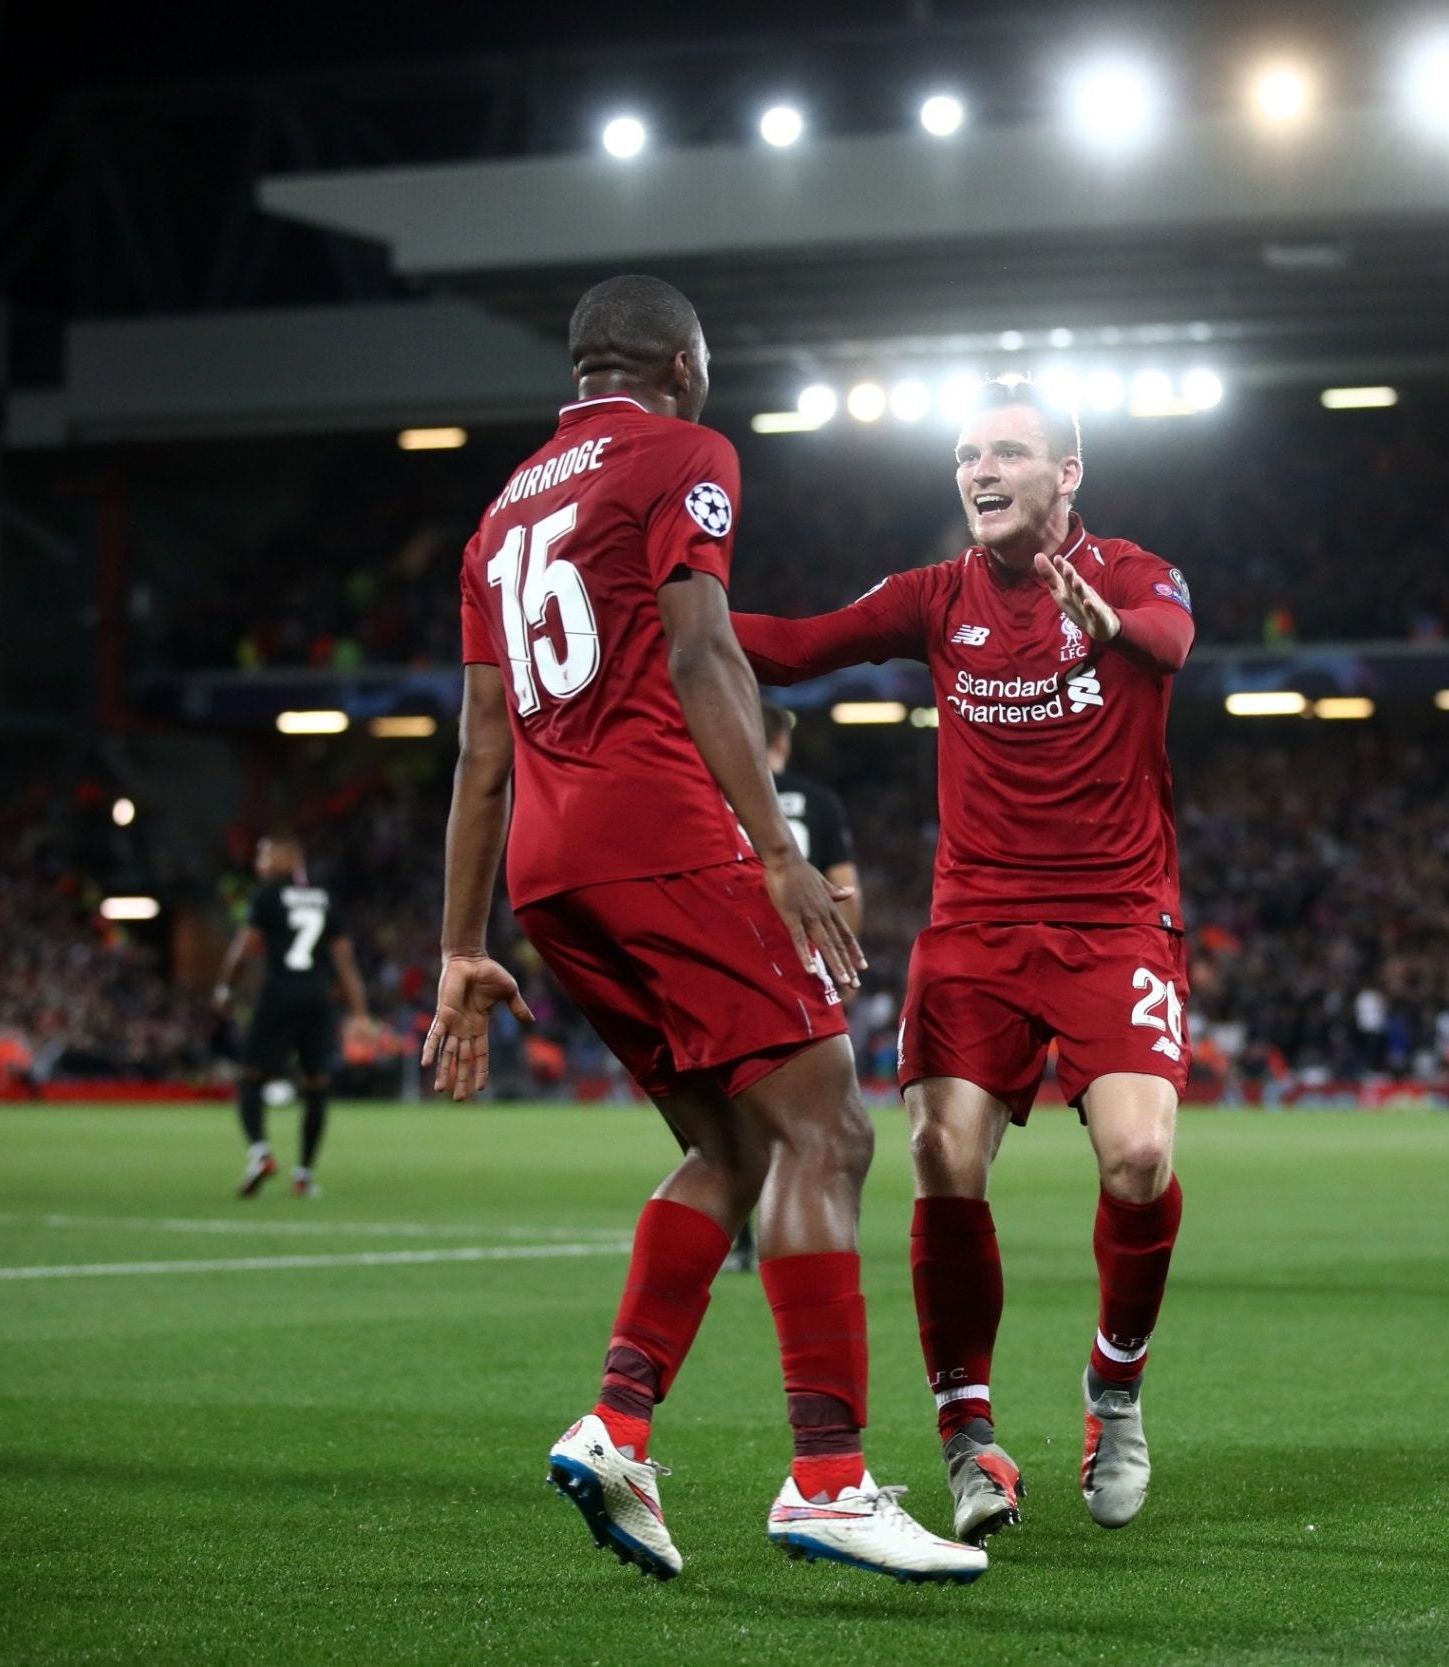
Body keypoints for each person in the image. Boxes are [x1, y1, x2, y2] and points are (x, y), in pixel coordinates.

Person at [423, 272, 982, 1585]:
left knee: (732, 1143)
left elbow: (481, 744)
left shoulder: (497, 515)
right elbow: (701, 652)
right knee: (829, 1127)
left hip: (550, 874)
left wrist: (460, 941)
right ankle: (828, 1478)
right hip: (660, 835)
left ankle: (618, 1422)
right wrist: (779, 850)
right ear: (680, 360)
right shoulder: (688, 452)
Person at [733, 376, 1195, 1546]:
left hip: (1115, 918)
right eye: (964, 455)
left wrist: (1107, 625)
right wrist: (674, 622)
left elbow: (1170, 639)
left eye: (1005, 452)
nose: (979, 472)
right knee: (941, 1149)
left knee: (1138, 1157)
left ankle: (1114, 1389)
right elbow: (794, 646)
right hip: (976, 927)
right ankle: (965, 1432)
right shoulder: (935, 597)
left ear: (1065, 473)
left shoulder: (1138, 571)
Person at [724, 701, 863, 1275]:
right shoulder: (821, 802)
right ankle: (819, 1232)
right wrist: (843, 965)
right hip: (802, 967)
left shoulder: (719, 794)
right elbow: (846, 890)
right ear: (783, 740)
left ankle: (739, 1230)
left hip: (730, 961)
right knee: (820, 1120)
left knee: (732, 1107)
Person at [212, 834, 369, 1199]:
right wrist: (360, 1013)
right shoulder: (325, 897)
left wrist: (224, 989)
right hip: (318, 998)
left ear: (289, 856)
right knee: (316, 1085)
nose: (259, 863)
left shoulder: (266, 895)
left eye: (265, 854)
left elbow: (244, 949)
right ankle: (304, 1174)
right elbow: (345, 962)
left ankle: (261, 1152)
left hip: (279, 995)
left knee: (251, 1078)